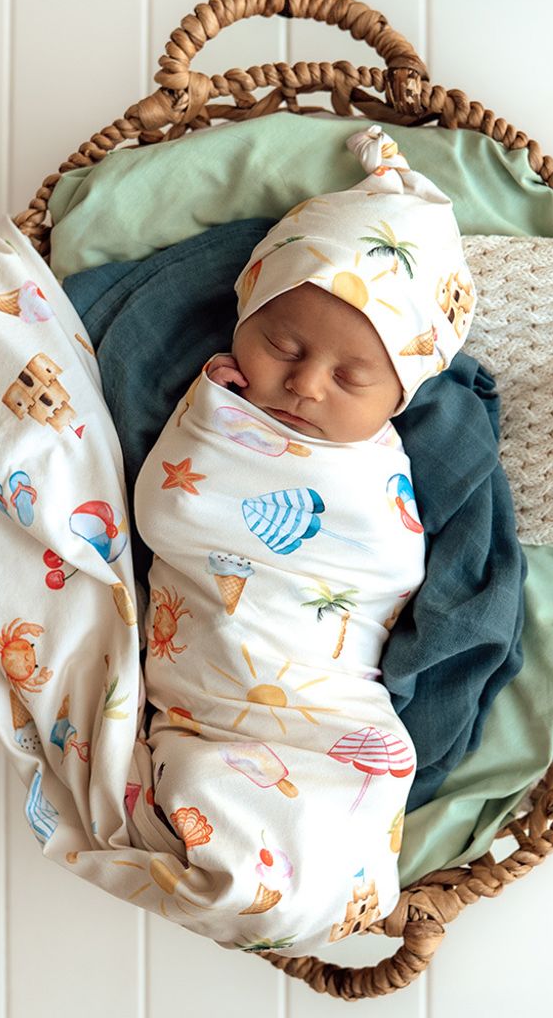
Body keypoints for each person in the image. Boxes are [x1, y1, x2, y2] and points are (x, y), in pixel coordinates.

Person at [128, 124, 476, 952]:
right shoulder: (215, 407)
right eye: (284, 345)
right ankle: (252, 874)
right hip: (207, 692)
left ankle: (317, 884)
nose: (306, 384)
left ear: (401, 393)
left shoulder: (380, 462)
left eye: (352, 376)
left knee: (380, 763)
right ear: (246, 311)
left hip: (331, 691)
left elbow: (392, 564)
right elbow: (166, 515)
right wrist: (210, 424)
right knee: (205, 784)